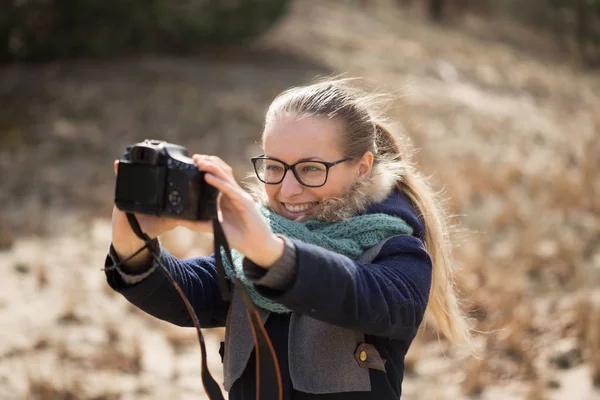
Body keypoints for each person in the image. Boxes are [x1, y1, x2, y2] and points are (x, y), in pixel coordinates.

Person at [104, 78, 472, 399]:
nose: (288, 189)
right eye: (275, 167)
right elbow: (189, 295)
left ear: (362, 167)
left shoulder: (397, 249)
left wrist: (270, 251)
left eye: (311, 168)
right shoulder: (259, 239)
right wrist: (131, 244)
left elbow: (367, 297)